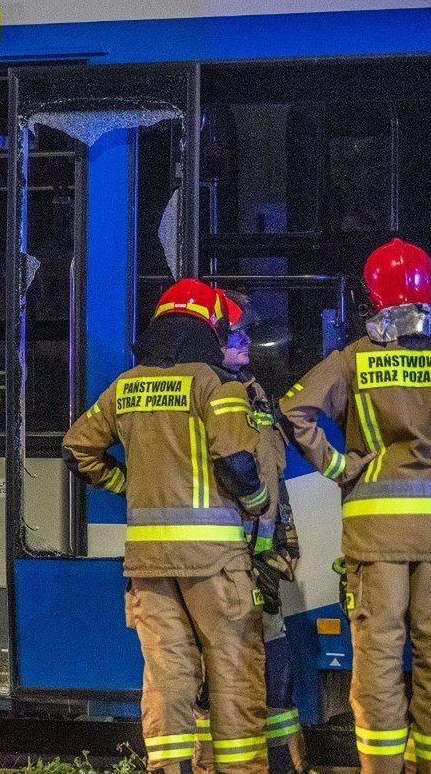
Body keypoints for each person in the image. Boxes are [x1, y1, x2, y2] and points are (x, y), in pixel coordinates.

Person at [63, 278, 269, 774]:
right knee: (233, 667)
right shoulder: (213, 383)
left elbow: (76, 449)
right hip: (213, 560)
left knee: (168, 673)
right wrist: (258, 503)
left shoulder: (126, 385)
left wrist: (126, 485)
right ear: (206, 327)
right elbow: (237, 461)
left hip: (148, 563)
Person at [279, 238, 431, 773]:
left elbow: (294, 411)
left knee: (376, 658)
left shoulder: (353, 360)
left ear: (373, 299)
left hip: (375, 538)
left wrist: (338, 467)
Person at [195, 292, 306, 774]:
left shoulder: (254, 393)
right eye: (235, 333)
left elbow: (270, 469)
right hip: (221, 565)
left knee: (276, 673)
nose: (246, 340)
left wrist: (285, 533)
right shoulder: (205, 395)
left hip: (261, 564)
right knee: (215, 683)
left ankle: (283, 766)